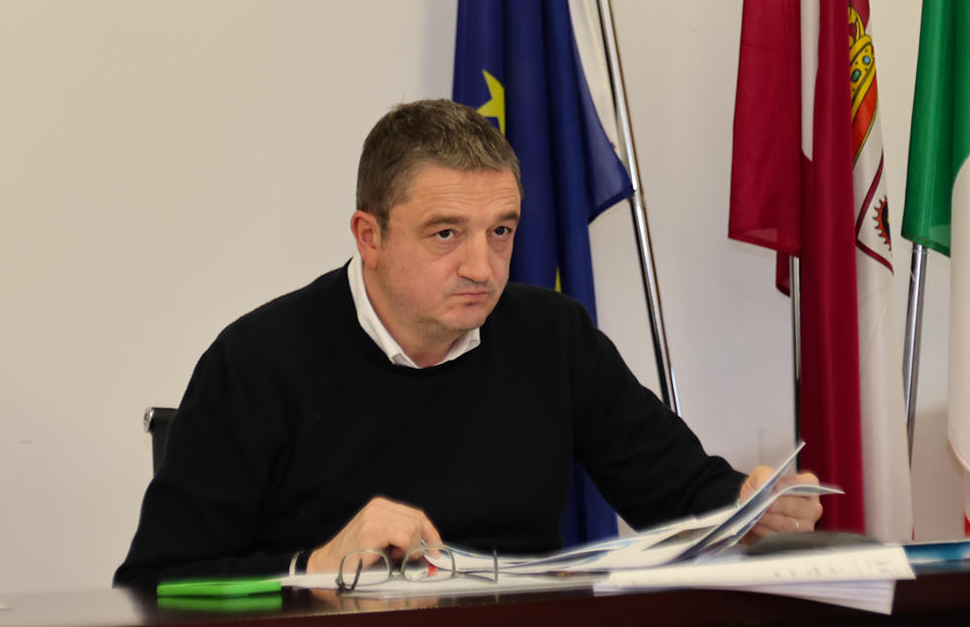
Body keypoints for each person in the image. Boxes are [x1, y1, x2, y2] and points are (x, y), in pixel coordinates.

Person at [113, 99, 822, 587]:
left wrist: (748, 507)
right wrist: (313, 568)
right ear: (369, 237)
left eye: (501, 231)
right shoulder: (257, 362)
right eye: (446, 233)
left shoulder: (553, 337)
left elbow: (683, 495)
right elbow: (153, 583)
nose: (482, 267)